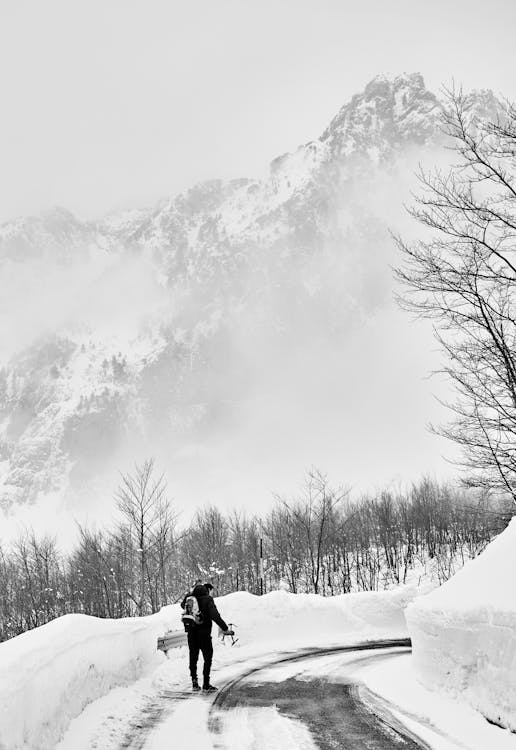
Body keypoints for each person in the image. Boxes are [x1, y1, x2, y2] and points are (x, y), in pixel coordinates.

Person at [182, 582, 234, 692]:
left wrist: (189, 595)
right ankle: (206, 683)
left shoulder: (190, 599)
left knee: (193, 657)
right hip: (204, 634)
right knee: (207, 657)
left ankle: (194, 682)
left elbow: (182, 605)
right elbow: (215, 616)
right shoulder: (208, 599)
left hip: (191, 633)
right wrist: (225, 628)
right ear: (206, 591)